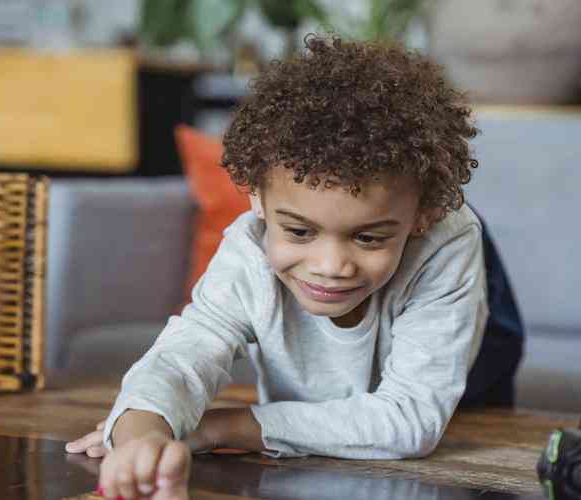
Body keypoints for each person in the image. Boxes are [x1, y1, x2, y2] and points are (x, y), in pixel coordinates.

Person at [66, 34, 523, 500]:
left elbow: (410, 422)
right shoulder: (248, 249)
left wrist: (216, 427)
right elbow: (184, 355)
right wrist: (142, 434)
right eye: (300, 232)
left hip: (469, 374)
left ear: (423, 215)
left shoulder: (445, 241)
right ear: (256, 198)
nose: (330, 266)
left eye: (368, 237)